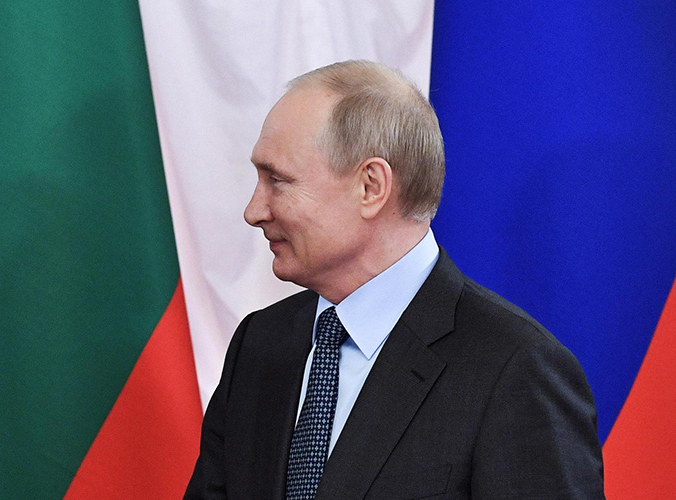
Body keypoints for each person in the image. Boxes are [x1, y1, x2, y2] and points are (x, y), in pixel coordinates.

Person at [184, 61, 604, 499]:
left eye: (278, 181)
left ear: (371, 186)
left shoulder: (516, 369)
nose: (254, 211)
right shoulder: (259, 343)